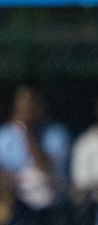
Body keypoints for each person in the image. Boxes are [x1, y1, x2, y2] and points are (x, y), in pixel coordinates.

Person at [0, 84, 70, 212]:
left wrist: (27, 133)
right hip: (12, 203)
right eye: (22, 105)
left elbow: (47, 170)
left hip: (49, 206)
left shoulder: (56, 135)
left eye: (30, 105)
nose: (26, 111)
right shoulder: (4, 135)